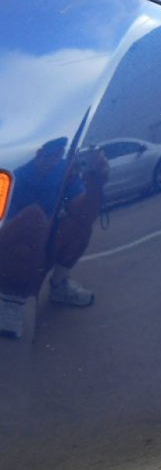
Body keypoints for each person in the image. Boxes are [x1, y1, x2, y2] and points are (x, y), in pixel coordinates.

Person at [0, 138, 108, 339]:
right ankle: (10, 301)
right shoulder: (17, 174)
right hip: (11, 247)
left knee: (80, 225)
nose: (54, 158)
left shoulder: (64, 172)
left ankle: (59, 284)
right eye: (49, 153)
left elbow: (81, 211)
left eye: (59, 152)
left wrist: (96, 182)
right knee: (33, 218)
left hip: (44, 241)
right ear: (38, 153)